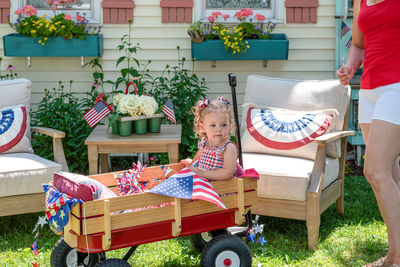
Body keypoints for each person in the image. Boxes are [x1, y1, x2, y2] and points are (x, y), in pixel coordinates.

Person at [336, 0, 400, 266]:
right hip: (370, 88)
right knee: (390, 173)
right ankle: (393, 252)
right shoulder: (362, 2)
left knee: (375, 171)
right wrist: (350, 66)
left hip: (396, 87)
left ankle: (396, 259)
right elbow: (359, 45)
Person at [180, 96, 237, 180]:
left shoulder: (228, 147)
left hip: (219, 188)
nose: (218, 129)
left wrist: (202, 173)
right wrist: (191, 164)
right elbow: (199, 154)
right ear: (202, 127)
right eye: (213, 125)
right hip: (202, 184)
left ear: (229, 124)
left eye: (224, 125)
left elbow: (228, 173)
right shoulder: (205, 142)